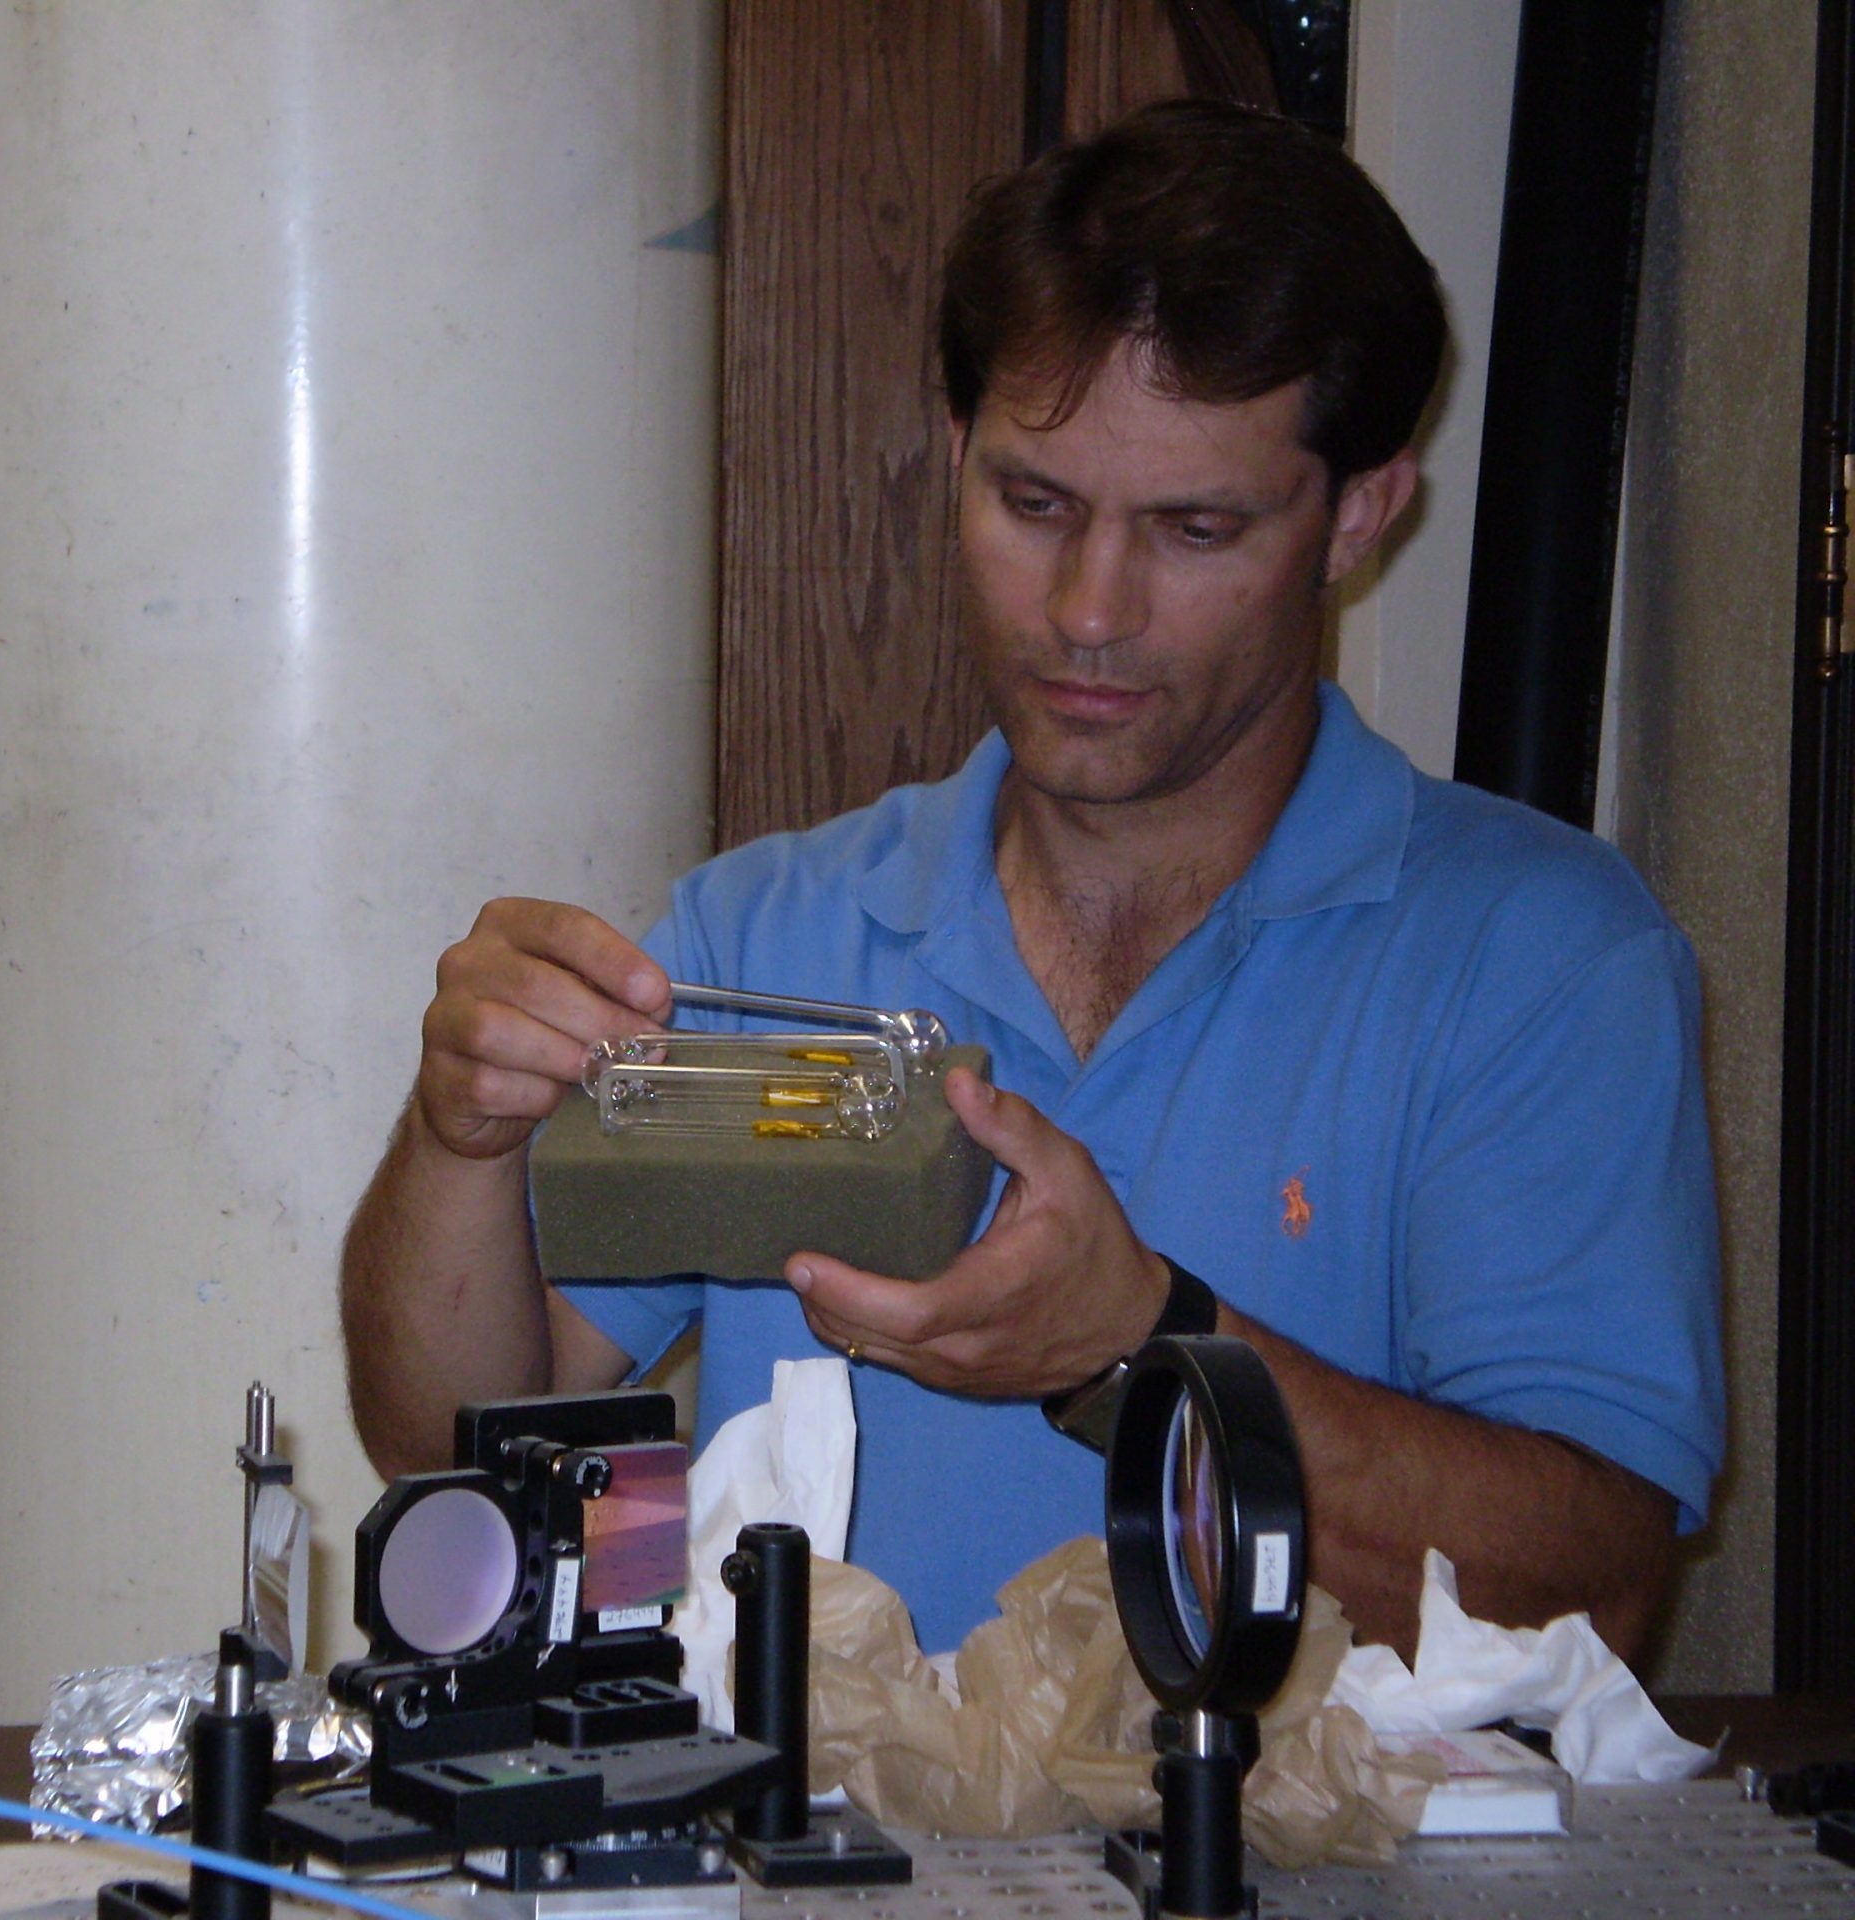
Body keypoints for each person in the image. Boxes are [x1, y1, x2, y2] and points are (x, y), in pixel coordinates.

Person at [340, 100, 1722, 1663]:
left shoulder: (1544, 962)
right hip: (819, 1877)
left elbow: (1592, 1596)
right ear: (954, 457)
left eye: (1193, 528)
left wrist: (1144, 1353)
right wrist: (457, 1136)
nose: (1087, 609)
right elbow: (459, 1454)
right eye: (1034, 504)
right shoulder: (766, 933)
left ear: (1357, 517)